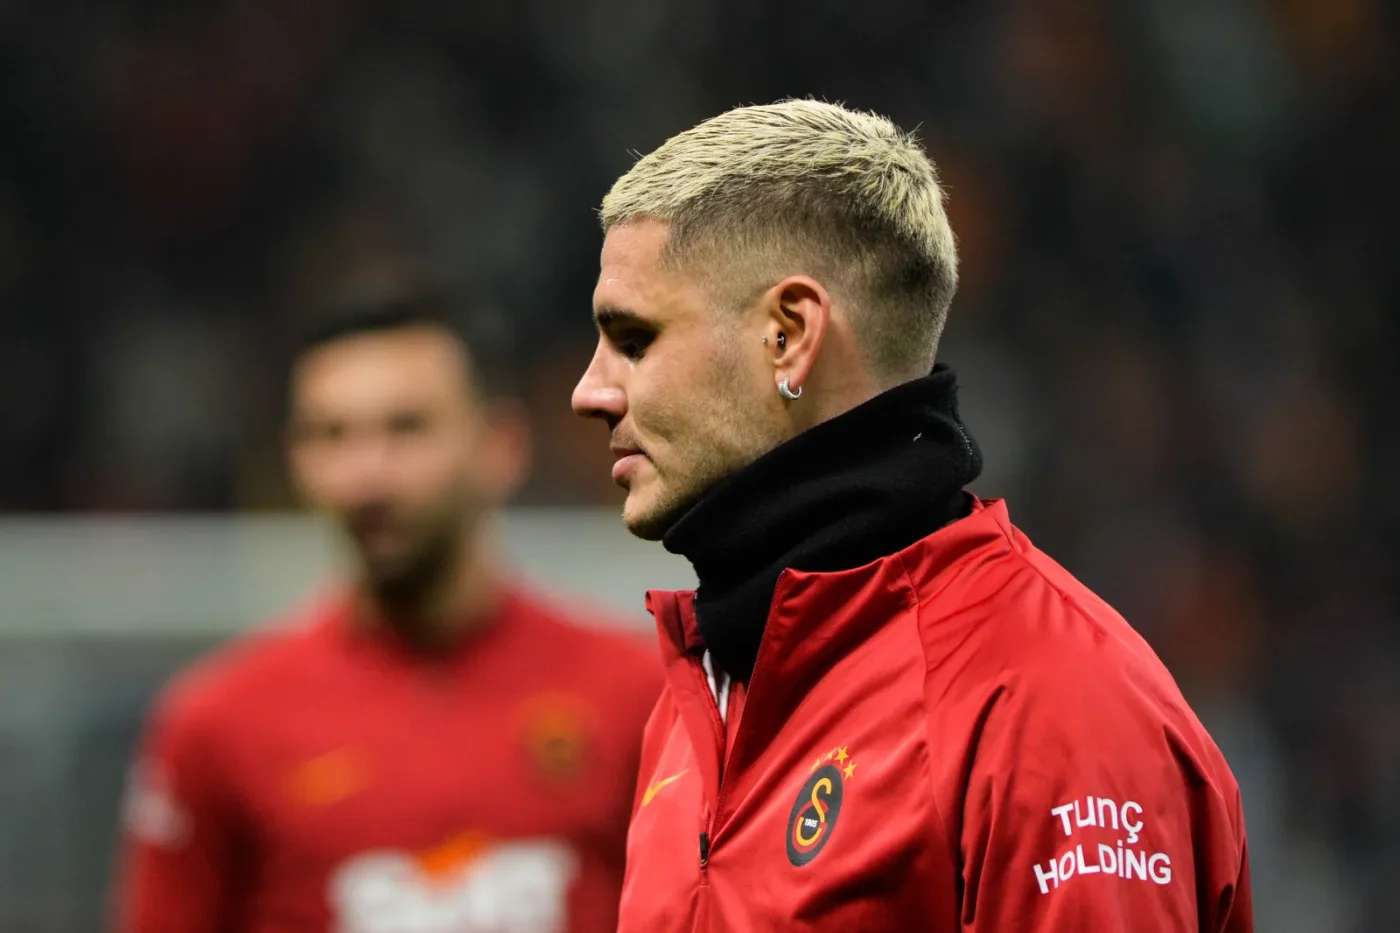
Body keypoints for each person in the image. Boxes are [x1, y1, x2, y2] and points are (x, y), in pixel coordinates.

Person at [571, 100, 1252, 931]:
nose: (590, 391)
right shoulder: (700, 701)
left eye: (634, 340)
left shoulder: (1051, 708)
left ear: (789, 334)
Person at [116, 296, 660, 933]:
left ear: (501, 445)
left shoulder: (637, 695)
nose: (367, 475)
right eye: (331, 435)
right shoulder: (216, 725)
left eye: (406, 429)